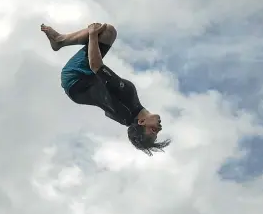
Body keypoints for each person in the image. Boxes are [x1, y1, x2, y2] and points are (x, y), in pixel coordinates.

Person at [40, 22, 170, 156]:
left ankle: (59, 40)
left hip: (76, 78)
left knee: (106, 31)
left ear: (142, 122)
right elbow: (108, 112)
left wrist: (92, 34)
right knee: (107, 34)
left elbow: (95, 65)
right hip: (81, 87)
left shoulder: (126, 101)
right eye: (157, 132)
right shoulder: (127, 117)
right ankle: (60, 41)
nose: (159, 128)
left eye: (153, 130)